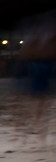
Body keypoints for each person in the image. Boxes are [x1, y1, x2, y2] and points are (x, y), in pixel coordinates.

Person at [17, 12, 56, 142]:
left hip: (41, 64)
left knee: (41, 99)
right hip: (39, 64)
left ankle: (36, 130)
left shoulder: (40, 34)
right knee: (40, 99)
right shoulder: (38, 33)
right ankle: (36, 130)